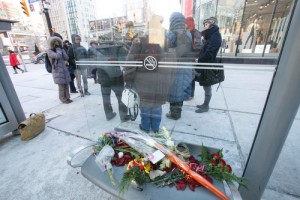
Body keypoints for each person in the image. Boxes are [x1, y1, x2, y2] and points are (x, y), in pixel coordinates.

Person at [124, 14, 174, 132]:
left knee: (145, 104)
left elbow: (130, 62)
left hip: (143, 79)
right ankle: (156, 127)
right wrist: (169, 79)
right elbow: (171, 61)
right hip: (160, 80)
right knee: (157, 106)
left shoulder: (139, 41)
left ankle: (145, 127)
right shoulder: (165, 41)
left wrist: (128, 79)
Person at [166, 12, 193, 120]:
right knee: (181, 89)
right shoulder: (188, 33)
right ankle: (178, 111)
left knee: (174, 90)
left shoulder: (172, 34)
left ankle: (174, 113)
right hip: (187, 65)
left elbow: (165, 48)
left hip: (176, 65)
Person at [196, 17, 222, 113]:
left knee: (207, 85)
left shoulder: (215, 36)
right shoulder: (210, 35)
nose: (205, 26)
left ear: (212, 25)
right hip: (205, 63)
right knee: (205, 85)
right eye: (205, 24)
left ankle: (206, 106)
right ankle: (205, 104)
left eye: (207, 24)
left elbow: (210, 52)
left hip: (208, 64)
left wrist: (201, 59)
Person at [46, 36, 72, 104]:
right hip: (57, 71)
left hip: (64, 70)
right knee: (61, 87)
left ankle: (67, 98)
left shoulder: (60, 49)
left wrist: (62, 49)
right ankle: (63, 99)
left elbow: (66, 57)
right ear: (52, 43)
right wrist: (58, 49)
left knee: (66, 85)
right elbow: (58, 56)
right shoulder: (49, 51)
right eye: (55, 42)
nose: (56, 43)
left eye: (58, 42)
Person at [185, 16, 203, 100]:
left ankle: (191, 94)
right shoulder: (187, 32)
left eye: (186, 23)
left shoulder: (195, 33)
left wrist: (192, 54)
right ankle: (188, 93)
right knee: (187, 76)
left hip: (191, 58)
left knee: (191, 77)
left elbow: (199, 46)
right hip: (187, 58)